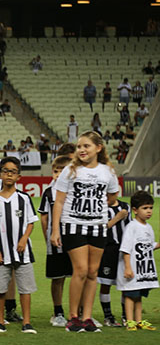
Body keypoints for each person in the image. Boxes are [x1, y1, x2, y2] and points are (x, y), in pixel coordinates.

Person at [51, 131, 120, 333]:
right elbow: (60, 201)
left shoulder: (108, 171)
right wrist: (56, 229)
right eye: (79, 146)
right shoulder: (70, 171)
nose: (81, 150)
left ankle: (87, 317)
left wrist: (99, 207)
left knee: (92, 272)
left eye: (86, 146)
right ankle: (73, 317)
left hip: (98, 226)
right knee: (80, 270)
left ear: (98, 148)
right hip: (73, 225)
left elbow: (113, 194)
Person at [0, 157, 39, 334]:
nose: (9, 174)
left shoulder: (24, 198)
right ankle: (0, 322)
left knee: (25, 288)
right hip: (2, 252)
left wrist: (24, 239)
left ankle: (27, 322)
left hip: (22, 252)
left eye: (13, 171)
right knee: (0, 288)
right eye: (6, 171)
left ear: (19, 176)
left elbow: (31, 221)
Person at [38, 155, 73, 328]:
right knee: (57, 277)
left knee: (76, 276)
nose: (58, 175)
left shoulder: (74, 191)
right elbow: (44, 218)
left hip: (74, 239)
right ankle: (58, 312)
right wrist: (48, 237)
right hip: (56, 242)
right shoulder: (49, 192)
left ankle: (79, 313)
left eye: (62, 171)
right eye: (55, 171)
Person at [116, 191, 158, 331]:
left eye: (150, 208)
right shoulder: (131, 227)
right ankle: (129, 321)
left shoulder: (148, 228)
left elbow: (148, 246)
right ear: (135, 210)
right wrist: (128, 267)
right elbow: (126, 249)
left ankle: (139, 321)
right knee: (130, 294)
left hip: (142, 269)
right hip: (133, 268)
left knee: (139, 295)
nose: (149, 211)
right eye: (145, 208)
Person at [96, 194, 130, 327]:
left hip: (124, 250)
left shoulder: (125, 206)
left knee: (126, 284)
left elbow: (130, 227)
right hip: (107, 249)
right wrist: (117, 218)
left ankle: (126, 316)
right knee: (106, 283)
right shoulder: (101, 207)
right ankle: (108, 316)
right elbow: (99, 228)